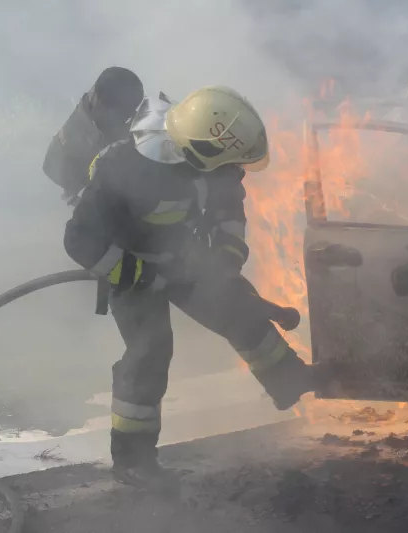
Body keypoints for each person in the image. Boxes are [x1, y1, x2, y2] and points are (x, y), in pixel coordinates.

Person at [63, 86, 314, 492]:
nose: (236, 170)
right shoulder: (123, 167)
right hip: (130, 265)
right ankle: (133, 460)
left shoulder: (212, 161)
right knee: (150, 350)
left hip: (183, 255)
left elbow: (228, 210)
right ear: (202, 152)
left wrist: (227, 262)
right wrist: (140, 275)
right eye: (230, 163)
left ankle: (290, 380)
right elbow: (80, 241)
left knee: (237, 309)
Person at [43, 67, 145, 203]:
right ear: (100, 102)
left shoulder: (98, 105)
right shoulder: (85, 135)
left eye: (131, 110)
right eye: (125, 112)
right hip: (78, 187)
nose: (129, 115)